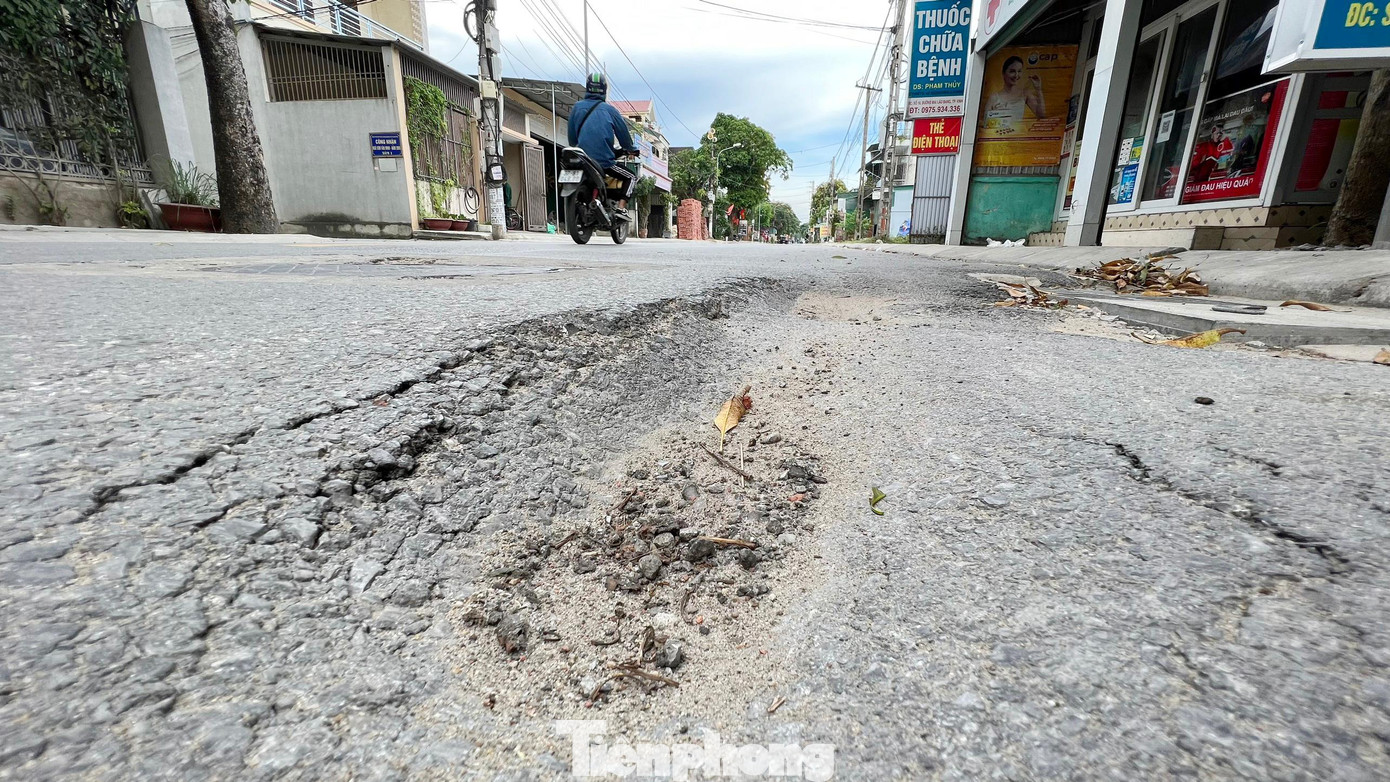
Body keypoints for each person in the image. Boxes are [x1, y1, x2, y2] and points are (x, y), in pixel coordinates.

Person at [568, 73, 639, 213]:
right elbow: (624, 137)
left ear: (588, 87)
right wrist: (630, 148)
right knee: (631, 177)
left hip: (581, 160)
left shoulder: (577, 107)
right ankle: (621, 208)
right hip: (604, 162)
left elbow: (572, 139)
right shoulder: (610, 111)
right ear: (604, 89)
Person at [983, 56, 1046, 128]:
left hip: (1017, 136)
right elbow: (985, 124)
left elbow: (1041, 116)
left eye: (1019, 71)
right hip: (1000, 137)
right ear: (1003, 73)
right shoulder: (994, 97)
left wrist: (1038, 89)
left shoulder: (1025, 93)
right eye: (1012, 71)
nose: (1016, 75)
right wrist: (999, 115)